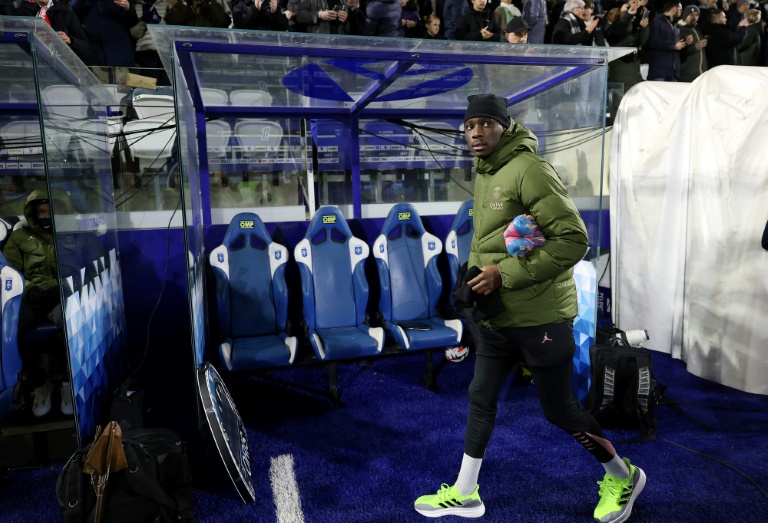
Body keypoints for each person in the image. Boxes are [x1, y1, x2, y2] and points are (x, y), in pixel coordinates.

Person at [413, 94, 646, 522]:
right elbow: (504, 237)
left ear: (505, 126)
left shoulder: (530, 169)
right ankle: (466, 493)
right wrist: (477, 277)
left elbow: (574, 241)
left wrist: (504, 274)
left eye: (485, 124)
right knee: (479, 396)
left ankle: (623, 474)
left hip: (540, 318)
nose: (476, 133)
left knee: (559, 411)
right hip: (498, 315)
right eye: (469, 126)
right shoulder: (488, 171)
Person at [2, 189, 70, 417]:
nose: (46, 216)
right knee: (13, 332)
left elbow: (87, 265)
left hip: (61, 294)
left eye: (51, 211)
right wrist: (29, 289)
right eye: (41, 212)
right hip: (31, 296)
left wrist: (66, 286)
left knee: (70, 326)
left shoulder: (73, 235)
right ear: (32, 214)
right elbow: (10, 271)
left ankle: (69, 384)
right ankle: (38, 384)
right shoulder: (20, 237)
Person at [677, 4, 709, 81]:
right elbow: (678, 54)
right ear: (685, 16)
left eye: (697, 15)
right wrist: (694, 47)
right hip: (687, 76)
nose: (694, 18)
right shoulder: (679, 30)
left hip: (700, 75)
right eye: (691, 15)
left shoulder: (696, 30)